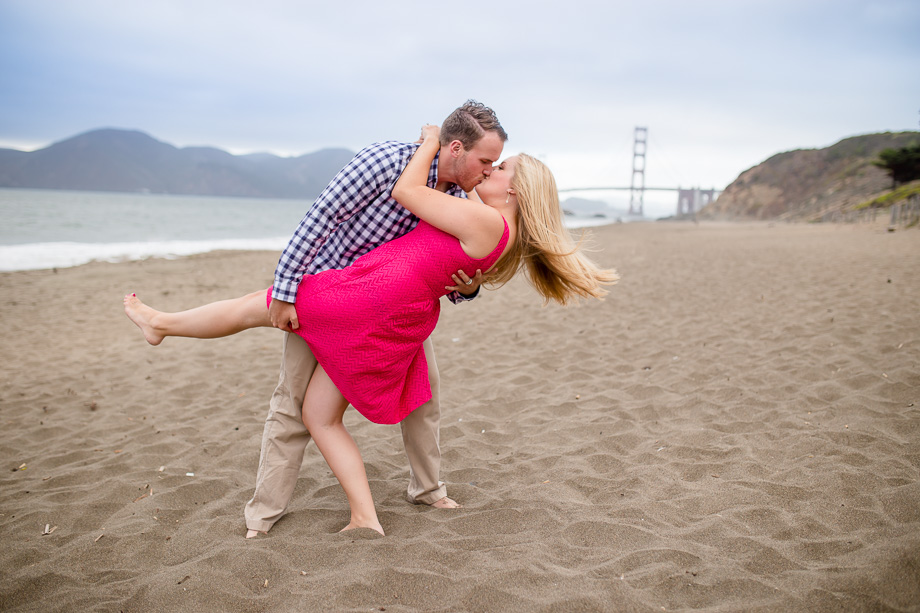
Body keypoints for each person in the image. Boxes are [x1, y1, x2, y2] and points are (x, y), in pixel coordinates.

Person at [125, 124, 617, 535]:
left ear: (514, 189)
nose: (490, 170)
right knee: (319, 414)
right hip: (384, 306)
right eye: (489, 162)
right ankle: (365, 515)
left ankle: (161, 323)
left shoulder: (480, 218)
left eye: (500, 168)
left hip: (366, 301)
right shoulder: (489, 223)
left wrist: (428, 142)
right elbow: (449, 267)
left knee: (258, 304)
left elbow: (405, 193)